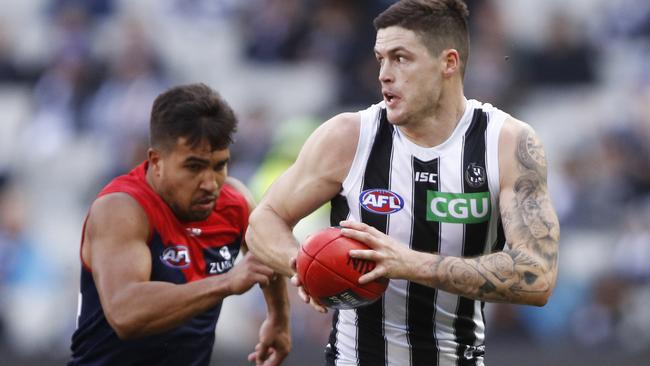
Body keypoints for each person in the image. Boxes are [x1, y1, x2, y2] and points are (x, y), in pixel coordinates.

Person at [245, 1, 560, 365]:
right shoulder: (349, 136)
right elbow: (262, 222)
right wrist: (304, 265)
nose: (384, 74)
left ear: (448, 63)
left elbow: (537, 276)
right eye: (381, 59)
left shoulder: (507, 144)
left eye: (400, 58)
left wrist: (405, 263)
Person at [68, 83, 291, 366]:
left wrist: (278, 320)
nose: (210, 183)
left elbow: (265, 260)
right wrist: (225, 282)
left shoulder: (234, 204)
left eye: (219, 165)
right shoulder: (122, 209)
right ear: (156, 161)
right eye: (194, 167)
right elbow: (125, 313)